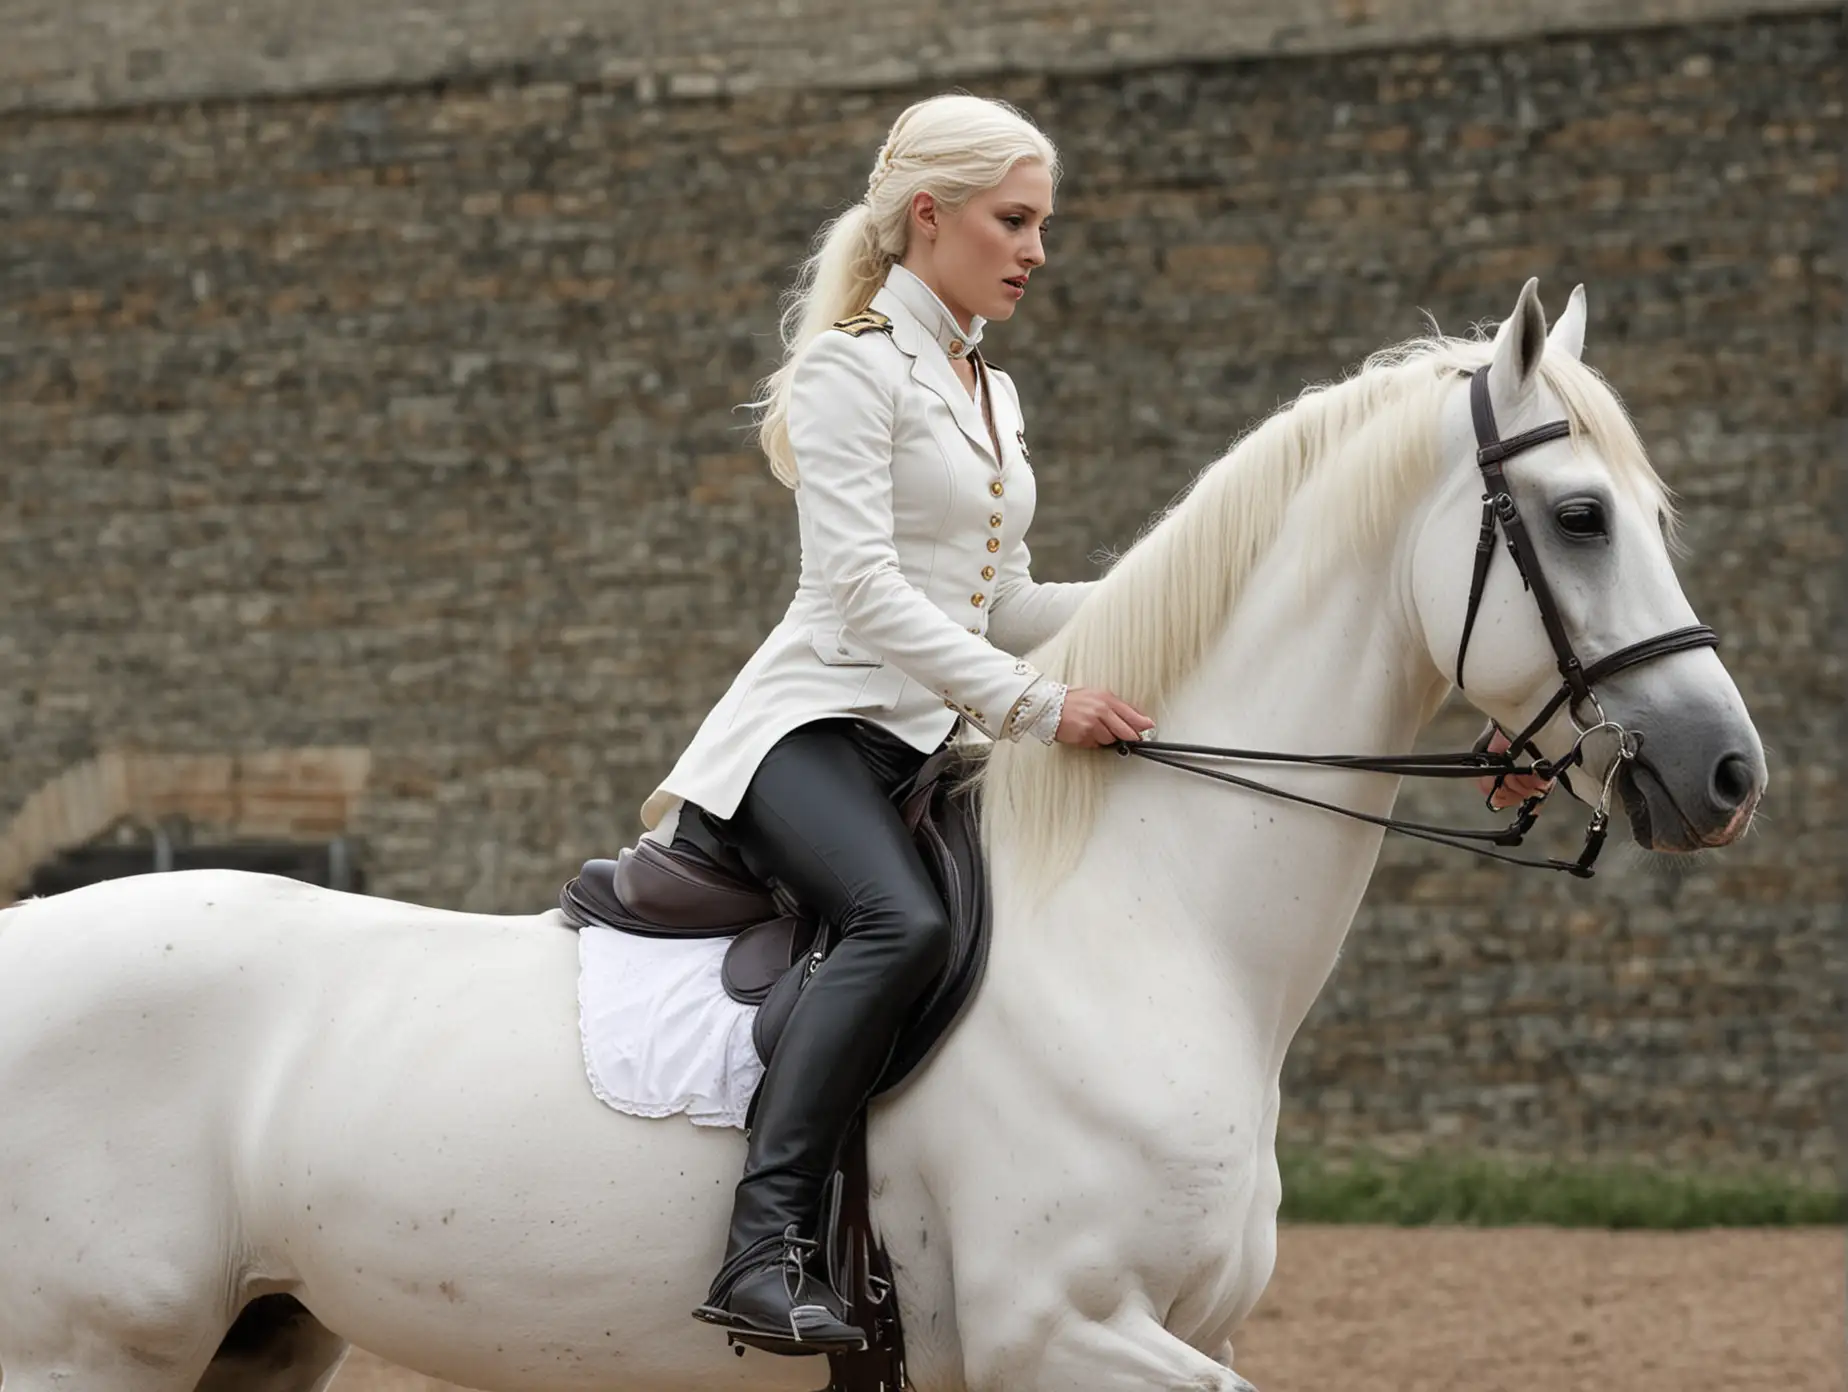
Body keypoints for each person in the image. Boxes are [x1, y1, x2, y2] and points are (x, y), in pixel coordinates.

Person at [639, 93, 1154, 1352]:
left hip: (921, 742)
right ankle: (762, 1250)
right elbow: (864, 594)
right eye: (1015, 220)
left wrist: (1179, 599)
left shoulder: (993, 389)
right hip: (806, 730)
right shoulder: (849, 368)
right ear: (931, 216)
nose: (1037, 250)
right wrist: (1036, 708)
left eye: (1043, 225)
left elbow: (1010, 596)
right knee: (901, 919)